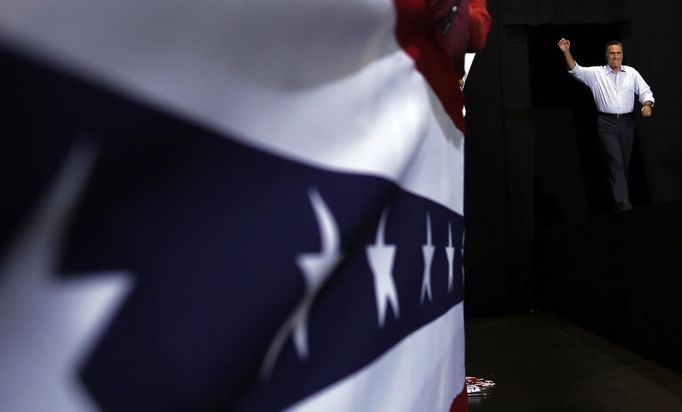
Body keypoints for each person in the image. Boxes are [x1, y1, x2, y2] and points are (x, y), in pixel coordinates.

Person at [557, 38, 655, 211]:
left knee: (623, 161)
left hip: (626, 122)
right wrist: (566, 52)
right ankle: (624, 201)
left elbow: (645, 91)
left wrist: (647, 105)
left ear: (622, 55)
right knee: (615, 160)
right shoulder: (597, 73)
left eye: (618, 53)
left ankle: (618, 201)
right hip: (606, 122)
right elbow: (575, 70)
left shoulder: (631, 73)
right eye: (612, 53)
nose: (615, 57)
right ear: (606, 56)